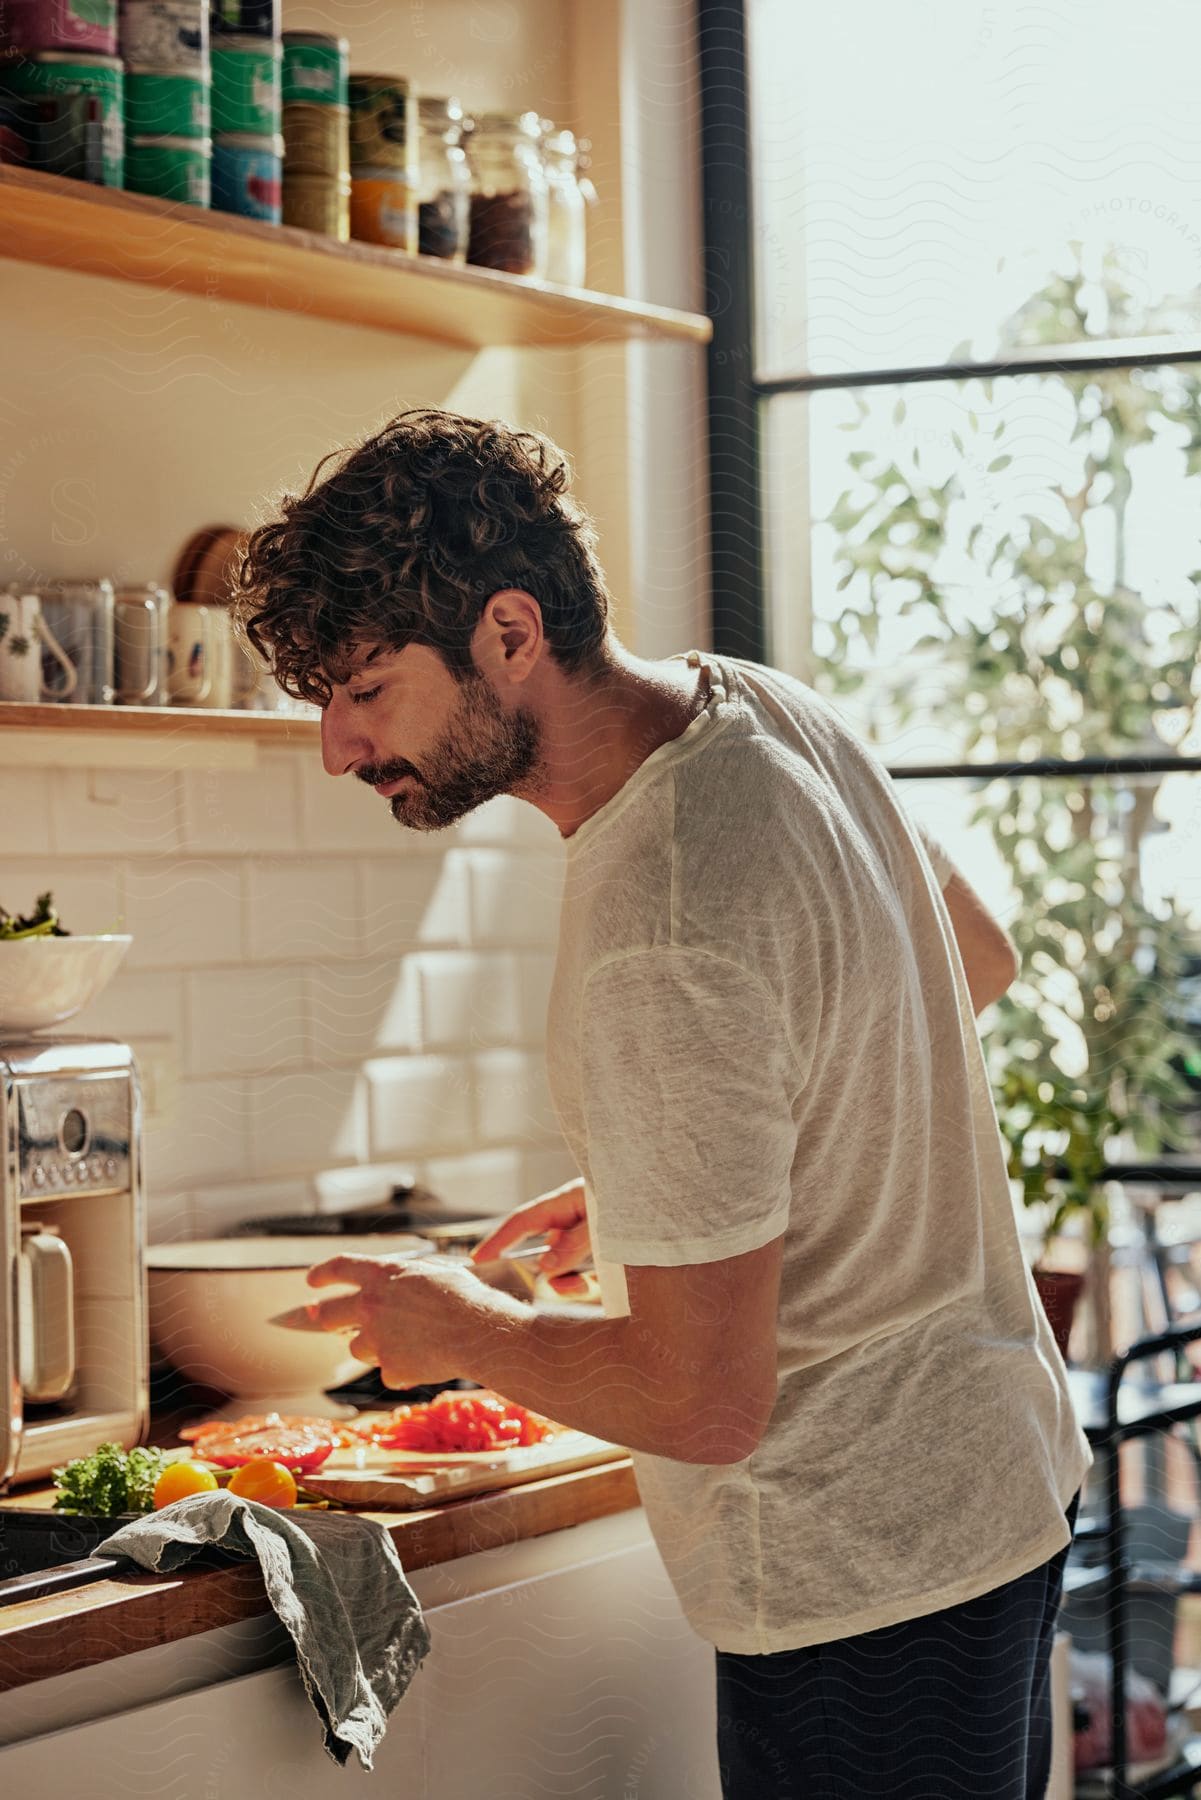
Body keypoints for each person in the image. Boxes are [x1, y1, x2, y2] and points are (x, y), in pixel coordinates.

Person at [237, 407, 1092, 1799]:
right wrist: (703, 1181)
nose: (338, 747)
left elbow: (703, 1403)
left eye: (366, 690)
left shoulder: (659, 922)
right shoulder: (757, 707)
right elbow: (969, 957)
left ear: (509, 632)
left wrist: (457, 1324)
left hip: (851, 1580)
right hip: (997, 1496)